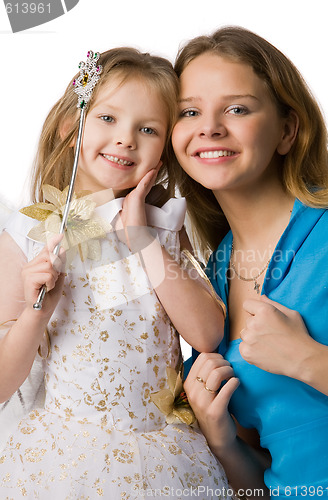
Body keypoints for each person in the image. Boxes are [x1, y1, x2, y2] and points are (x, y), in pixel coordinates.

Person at [0, 47, 230, 498]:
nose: (126, 139)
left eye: (147, 129)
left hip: (161, 451)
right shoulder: (28, 237)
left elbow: (206, 334)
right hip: (65, 458)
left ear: (162, 153)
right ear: (71, 127)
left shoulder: (161, 229)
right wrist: (34, 311)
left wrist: (141, 238)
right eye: (107, 119)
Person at [171, 26, 328, 500]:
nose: (210, 127)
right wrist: (222, 442)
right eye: (190, 112)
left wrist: (307, 359)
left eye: (237, 108)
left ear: (288, 130)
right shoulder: (212, 277)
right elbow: (262, 485)